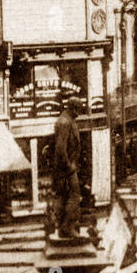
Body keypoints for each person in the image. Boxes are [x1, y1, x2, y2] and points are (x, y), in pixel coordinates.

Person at [50, 99, 83, 239]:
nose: (79, 113)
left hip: (66, 168)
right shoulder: (64, 122)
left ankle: (66, 228)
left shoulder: (68, 121)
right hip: (65, 169)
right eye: (79, 109)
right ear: (73, 108)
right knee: (74, 196)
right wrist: (69, 166)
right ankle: (67, 227)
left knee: (65, 198)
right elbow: (60, 148)